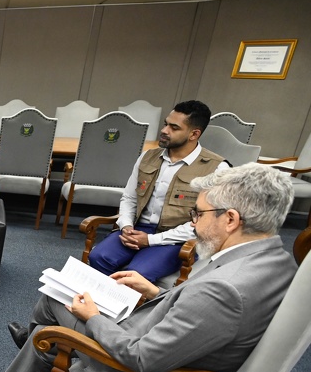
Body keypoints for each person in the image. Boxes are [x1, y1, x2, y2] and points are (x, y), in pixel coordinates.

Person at [0, 163, 296, 372]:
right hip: (171, 349)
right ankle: (31, 352)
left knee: (52, 322)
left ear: (231, 219)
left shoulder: (226, 289)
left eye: (198, 214)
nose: (194, 225)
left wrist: (93, 317)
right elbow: (204, 316)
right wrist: (156, 292)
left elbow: (143, 359)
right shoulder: (275, 261)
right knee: (55, 312)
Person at [87, 100, 227, 283]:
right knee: (98, 257)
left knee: (135, 274)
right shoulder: (147, 157)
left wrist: (151, 240)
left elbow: (207, 223)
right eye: (165, 124)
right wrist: (126, 226)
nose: (164, 130)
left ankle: (127, 302)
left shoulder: (217, 168)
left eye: (174, 127)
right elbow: (129, 198)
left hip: (177, 238)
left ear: (194, 134)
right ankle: (100, 301)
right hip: (137, 228)